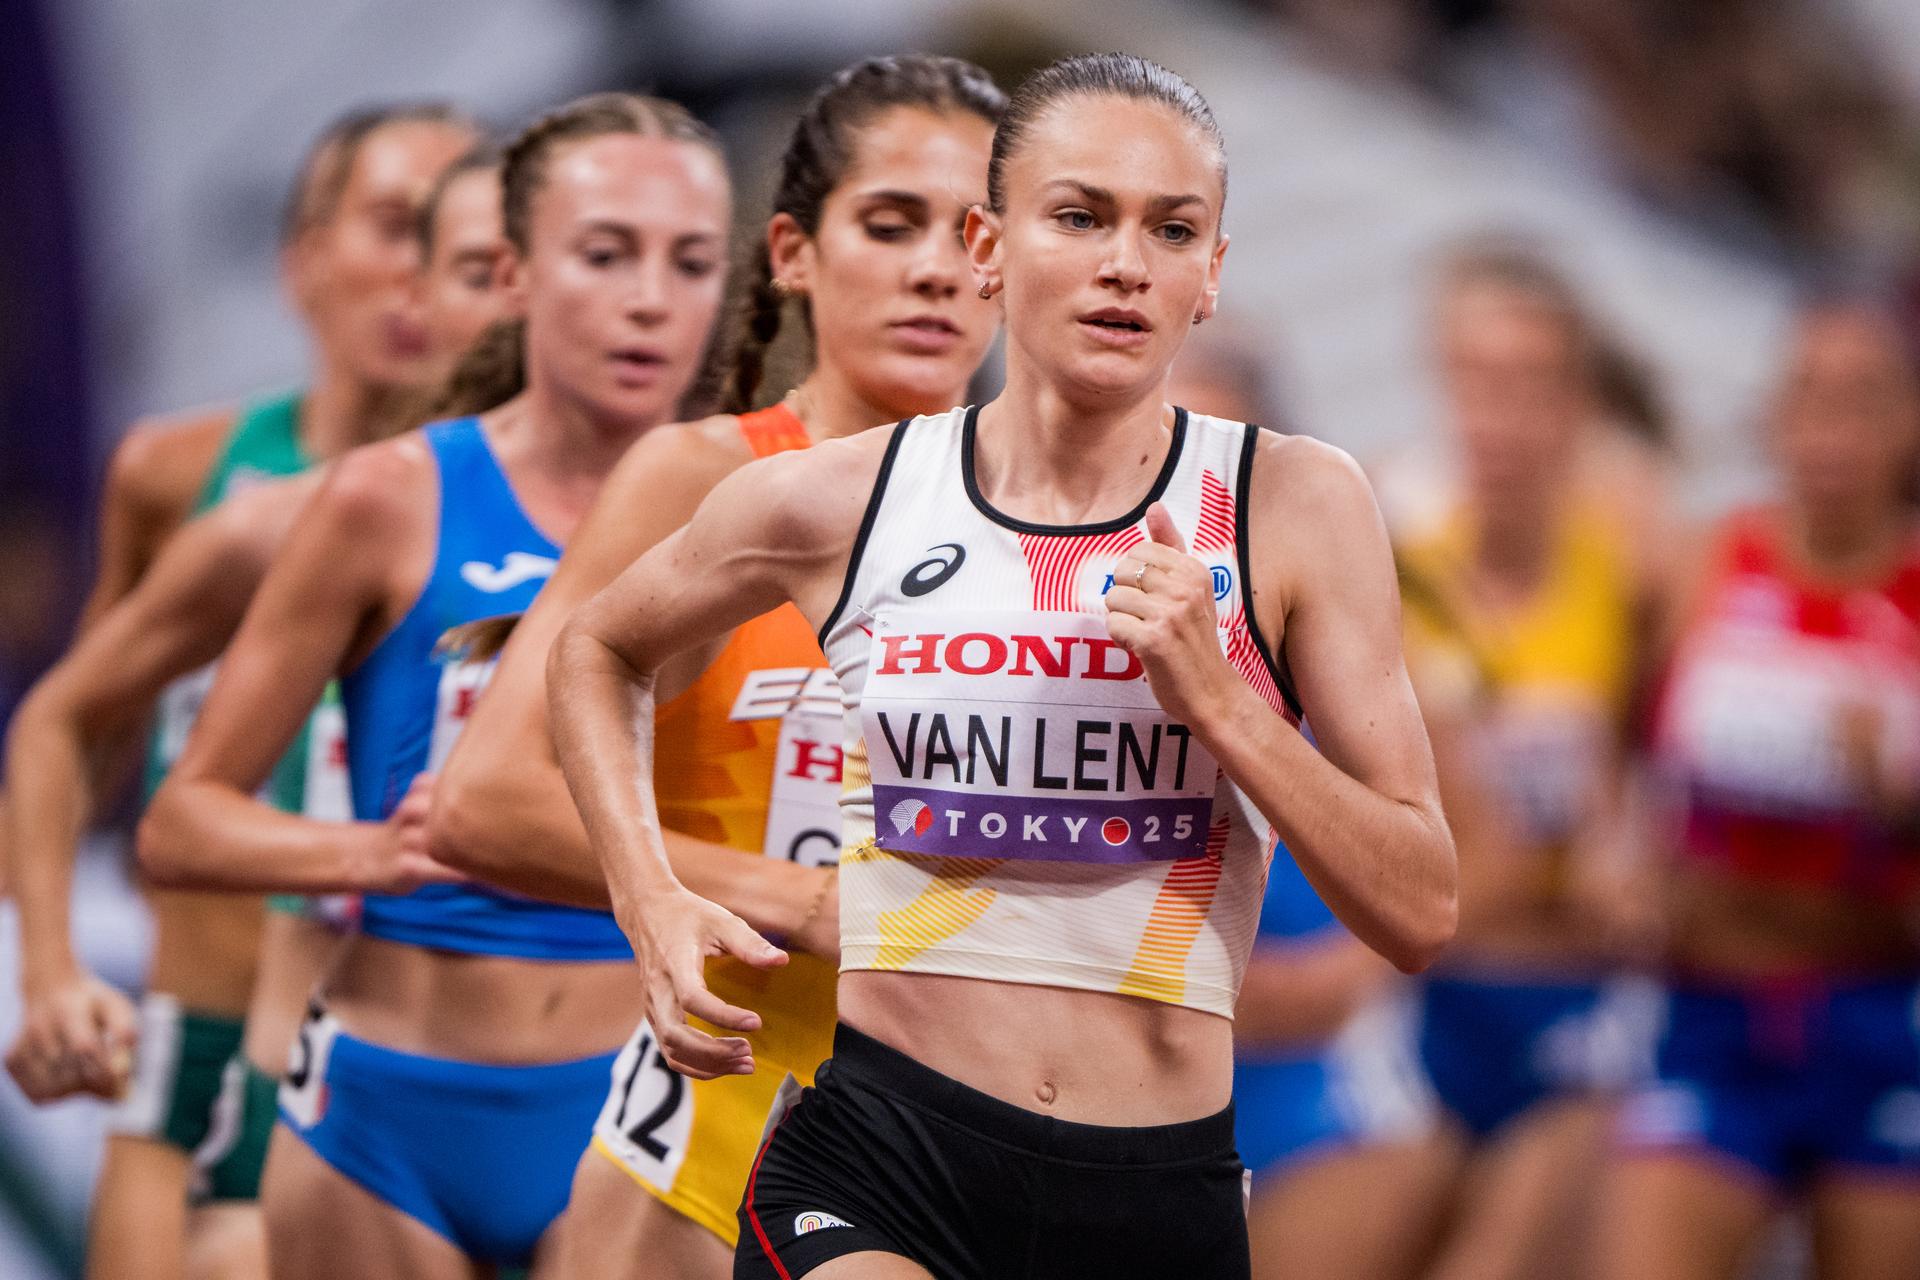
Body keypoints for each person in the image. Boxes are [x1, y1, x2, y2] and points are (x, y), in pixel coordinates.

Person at [548, 52, 1457, 1280]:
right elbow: (595, 645)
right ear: (989, 245)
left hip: (1154, 1185)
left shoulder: (1292, 502)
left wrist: (1223, 705)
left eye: (1171, 229)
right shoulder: (841, 497)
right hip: (880, 1157)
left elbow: (1419, 908)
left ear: (1211, 274)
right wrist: (649, 895)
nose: (1125, 262)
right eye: (1079, 217)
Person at [426, 55, 1005, 1279]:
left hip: (967, 1143)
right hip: (713, 1148)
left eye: (973, 233)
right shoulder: (708, 480)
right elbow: (485, 800)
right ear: (793, 251)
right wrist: (804, 903)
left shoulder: (1054, 522)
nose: (936, 269)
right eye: (889, 223)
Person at [138, 93, 731, 1279]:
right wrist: (371, 851)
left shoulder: (761, 505)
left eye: (691, 262)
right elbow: (181, 822)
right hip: (385, 1108)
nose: (650, 299)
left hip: (633, 1094)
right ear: (512, 273)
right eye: (605, 253)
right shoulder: (389, 497)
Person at [4, 102, 475, 1280]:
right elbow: (79, 726)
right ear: (304, 259)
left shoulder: (532, 507)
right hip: (201, 1040)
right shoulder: (184, 480)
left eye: (458, 242)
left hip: (432, 1053)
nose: (418, 273)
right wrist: (48, 966)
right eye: (393, 226)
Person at [1601, 301, 1920, 1280]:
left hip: (1882, 1017)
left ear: (1908, 424)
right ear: (1774, 417)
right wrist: (1625, 862)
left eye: (1863, 402)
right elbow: (1614, 746)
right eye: (1808, 398)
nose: (1832, 431)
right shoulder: (1698, 561)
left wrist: (1898, 801)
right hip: (1712, 1007)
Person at [1388, 246, 1663, 1280]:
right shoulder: (1386, 547)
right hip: (1415, 997)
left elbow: (1658, 785)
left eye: (1529, 383)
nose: (1498, 415)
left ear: (1578, 401)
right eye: (1474, 379)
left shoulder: (1633, 556)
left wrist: (1632, 867)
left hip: (1571, 1000)